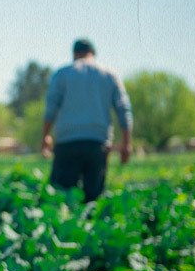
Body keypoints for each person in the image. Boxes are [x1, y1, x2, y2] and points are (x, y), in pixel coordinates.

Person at [40, 38, 133, 203]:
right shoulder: (109, 75)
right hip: (97, 144)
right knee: (93, 201)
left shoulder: (63, 74)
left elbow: (51, 108)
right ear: (93, 53)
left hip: (67, 143)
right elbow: (123, 109)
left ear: (74, 54)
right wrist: (127, 143)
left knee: (62, 199)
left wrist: (45, 136)